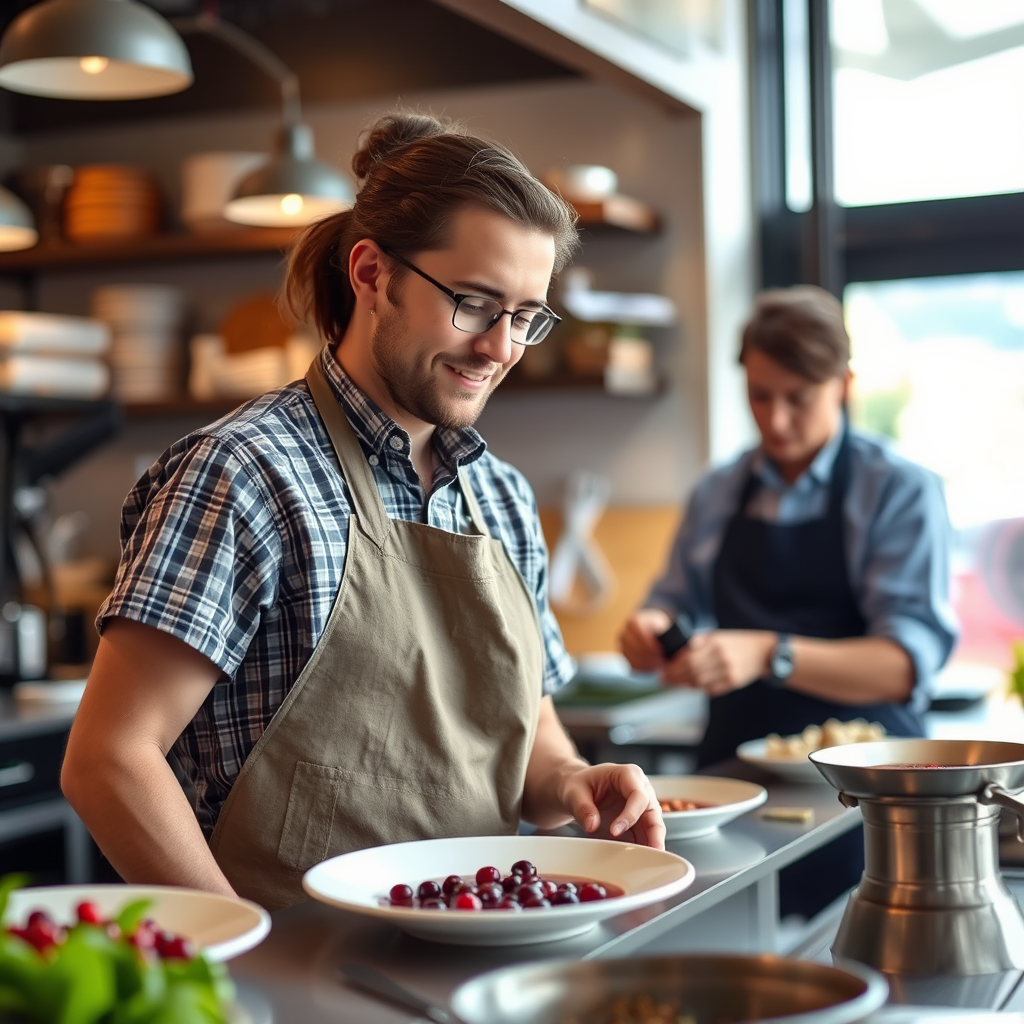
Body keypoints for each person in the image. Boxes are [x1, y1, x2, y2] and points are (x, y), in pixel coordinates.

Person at [62, 112, 664, 911]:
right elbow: (109, 759)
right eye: (476, 304)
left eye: (525, 317)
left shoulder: (504, 499)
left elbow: (529, 746)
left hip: (481, 968)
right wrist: (245, 962)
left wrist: (577, 781)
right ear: (373, 273)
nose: (501, 348)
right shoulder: (244, 474)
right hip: (297, 978)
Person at [619, 285, 957, 916]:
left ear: (845, 383)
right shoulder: (719, 490)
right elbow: (672, 604)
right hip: (735, 791)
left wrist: (769, 654)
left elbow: (907, 665)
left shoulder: (899, 491)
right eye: (759, 396)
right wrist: (651, 628)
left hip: (873, 798)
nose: (775, 421)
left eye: (798, 399)